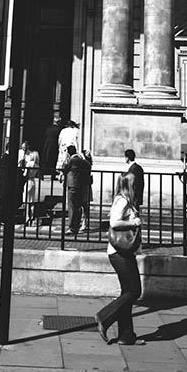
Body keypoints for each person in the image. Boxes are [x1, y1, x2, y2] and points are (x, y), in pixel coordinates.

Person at [95, 172, 145, 346]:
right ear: (127, 184)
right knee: (134, 291)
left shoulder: (126, 200)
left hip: (123, 252)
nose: (137, 184)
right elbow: (114, 222)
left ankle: (126, 335)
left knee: (127, 293)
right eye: (134, 182)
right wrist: (134, 223)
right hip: (119, 253)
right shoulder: (122, 200)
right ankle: (104, 317)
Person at [61, 144, 90, 239]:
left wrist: (65, 159)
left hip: (72, 185)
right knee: (77, 206)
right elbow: (88, 166)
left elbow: (64, 169)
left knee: (72, 206)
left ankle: (72, 227)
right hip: (80, 185)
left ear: (69, 153)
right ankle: (76, 225)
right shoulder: (81, 160)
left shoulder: (72, 160)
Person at [19, 140, 40, 225]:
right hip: (33, 181)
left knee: (26, 201)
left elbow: (24, 174)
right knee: (32, 201)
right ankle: (32, 216)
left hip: (28, 181)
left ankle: (27, 217)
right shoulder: (37, 165)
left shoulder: (29, 164)